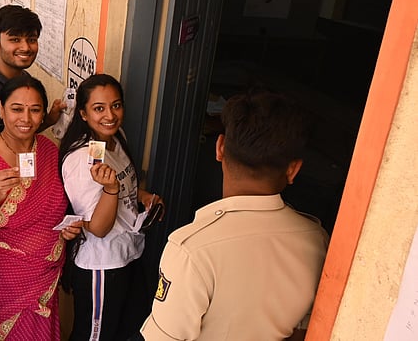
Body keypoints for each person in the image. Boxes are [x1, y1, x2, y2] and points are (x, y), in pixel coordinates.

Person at [139, 91, 329, 341]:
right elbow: (304, 331)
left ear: (219, 148)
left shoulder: (191, 250)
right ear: (293, 169)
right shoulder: (316, 240)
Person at [0, 75, 82, 340]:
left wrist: (69, 228)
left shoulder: (49, 150)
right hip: (0, 283)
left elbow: (60, 208)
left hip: (44, 276)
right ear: (1, 110)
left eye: (35, 110)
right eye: (16, 109)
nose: (26, 118)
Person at [60, 74, 164, 340]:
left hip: (128, 253)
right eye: (99, 108)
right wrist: (111, 189)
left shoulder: (116, 138)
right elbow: (97, 228)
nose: (110, 115)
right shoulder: (81, 159)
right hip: (102, 264)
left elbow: (126, 182)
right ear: (83, 114)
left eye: (116, 105)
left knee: (125, 331)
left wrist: (143, 196)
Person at [0, 5, 63, 154]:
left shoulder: (24, 78)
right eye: (15, 39)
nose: (25, 47)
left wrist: (48, 120)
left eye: (31, 39)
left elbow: (18, 132)